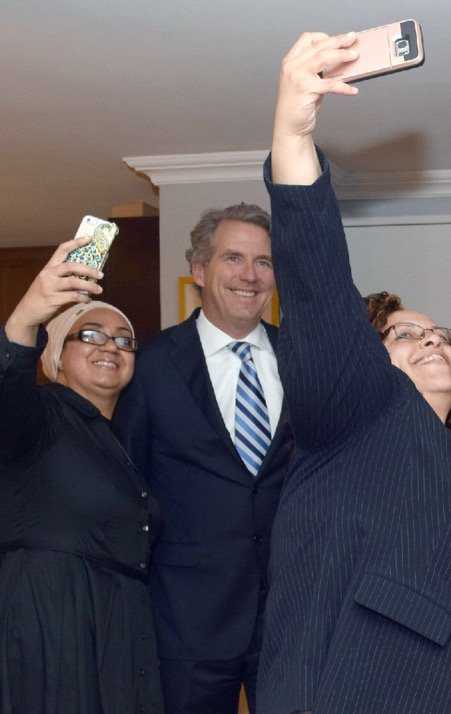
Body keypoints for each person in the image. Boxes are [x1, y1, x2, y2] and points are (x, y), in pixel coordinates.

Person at [255, 32, 451, 714]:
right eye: (403, 334)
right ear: (364, 358)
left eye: (438, 334)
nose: (434, 341)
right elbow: (318, 289)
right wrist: (293, 138)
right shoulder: (357, 416)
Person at [113, 202, 291, 712]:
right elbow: (128, 490)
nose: (250, 276)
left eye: (264, 262)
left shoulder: (300, 360)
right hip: (185, 625)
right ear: (198, 270)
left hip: (288, 620)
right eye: (233, 258)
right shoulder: (150, 366)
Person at [0, 238, 161, 713]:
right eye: (90, 334)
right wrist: (27, 317)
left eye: (123, 339)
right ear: (55, 355)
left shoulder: (120, 443)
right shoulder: (39, 415)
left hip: (117, 627)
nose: (110, 345)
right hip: (52, 619)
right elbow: (7, 387)